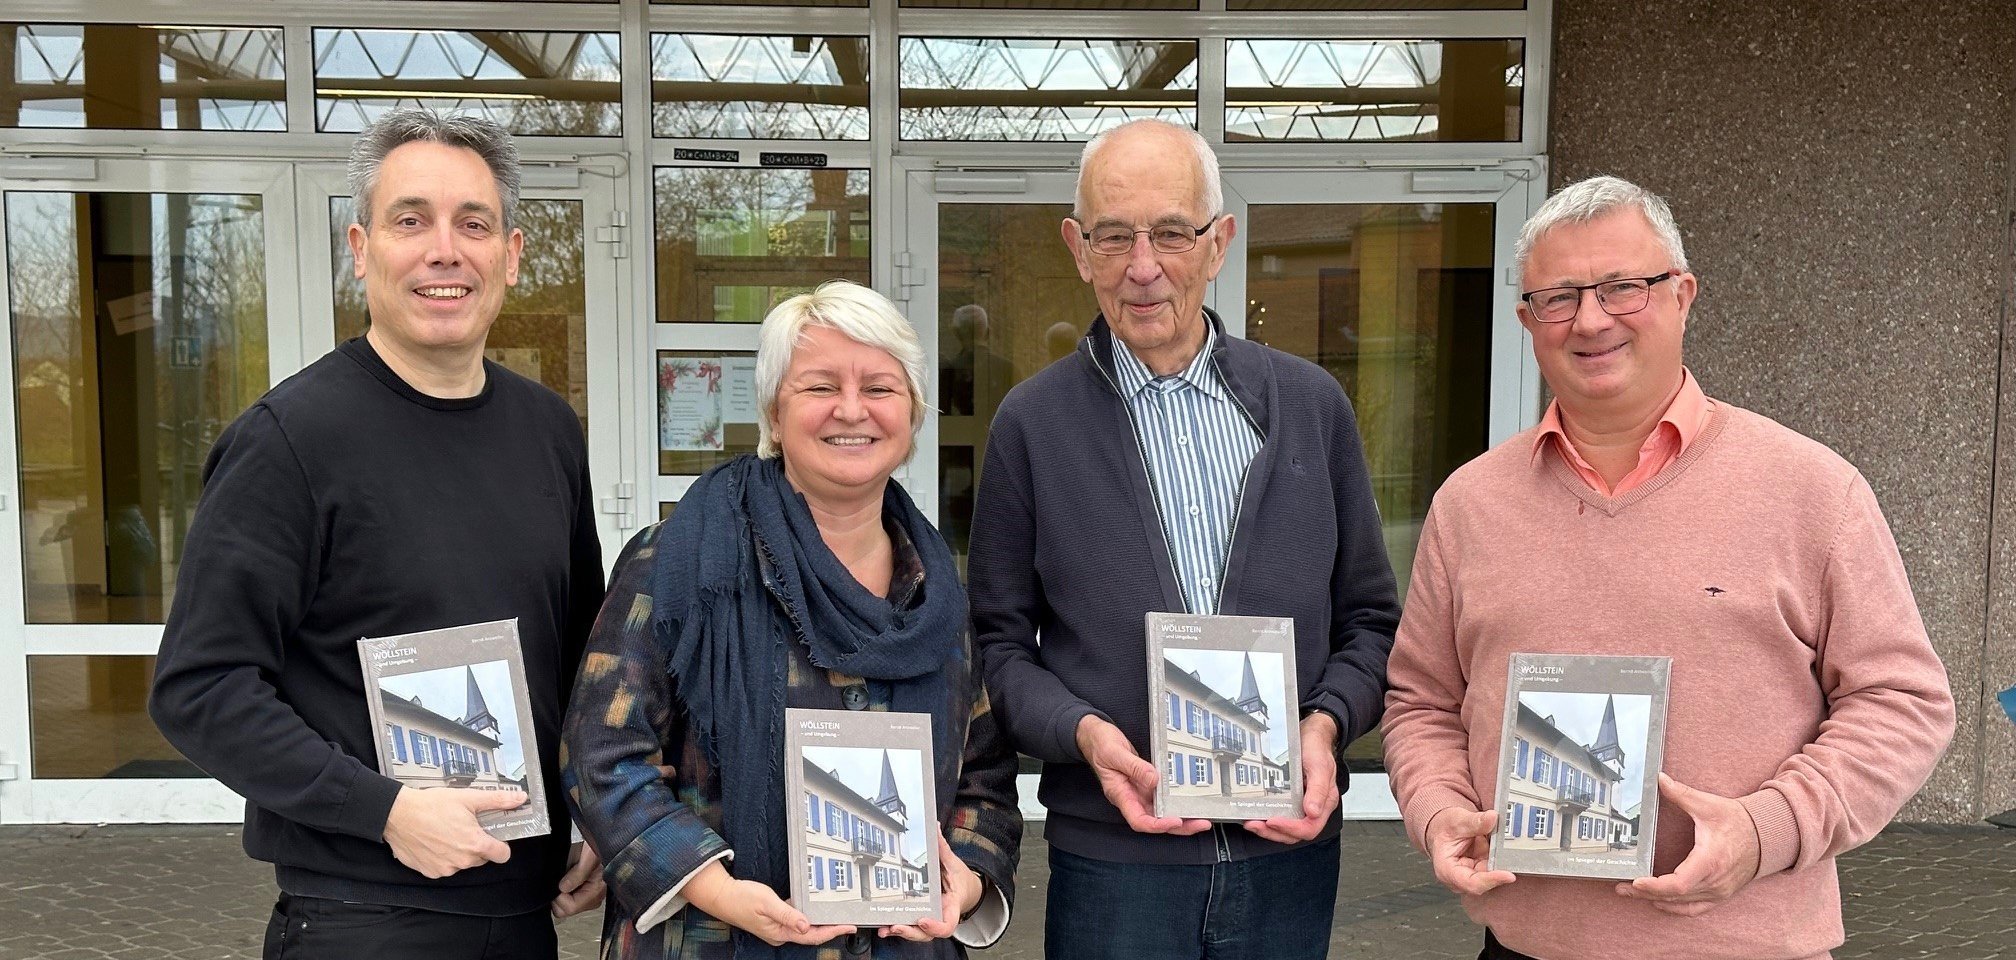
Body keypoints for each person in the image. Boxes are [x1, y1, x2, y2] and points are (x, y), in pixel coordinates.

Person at [1380, 175, 1956, 960]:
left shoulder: (1812, 489)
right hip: (1526, 946)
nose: (1590, 320)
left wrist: (1765, 830)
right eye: (1557, 298)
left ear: (1682, 295)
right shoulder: (1470, 504)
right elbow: (1422, 703)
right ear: (1527, 321)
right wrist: (1438, 808)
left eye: (1623, 288)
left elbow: (1903, 702)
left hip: (1746, 948)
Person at [148, 109, 607, 960]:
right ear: (361, 250)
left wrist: (602, 818)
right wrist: (386, 811)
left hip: (524, 909)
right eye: (410, 221)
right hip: (363, 914)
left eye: (474, 224)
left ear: (510, 256)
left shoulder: (548, 430)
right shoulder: (290, 442)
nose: (444, 250)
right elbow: (200, 687)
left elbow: (582, 657)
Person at [968, 118, 1400, 960]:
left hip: (1288, 857)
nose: (1143, 266)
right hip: (1115, 864)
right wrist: (1084, 734)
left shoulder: (1311, 408)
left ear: (1219, 243)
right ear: (1077, 248)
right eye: (1114, 237)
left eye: (1171, 232)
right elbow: (998, 646)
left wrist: (1325, 725)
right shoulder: (1032, 425)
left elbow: (1372, 623)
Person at [563, 280, 1021, 959]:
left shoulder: (936, 593)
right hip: (714, 941)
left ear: (913, 415)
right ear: (774, 415)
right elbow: (600, 755)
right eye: (820, 386)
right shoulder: (682, 561)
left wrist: (966, 884)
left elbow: (984, 778)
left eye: (880, 388)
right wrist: (718, 889)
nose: (852, 409)